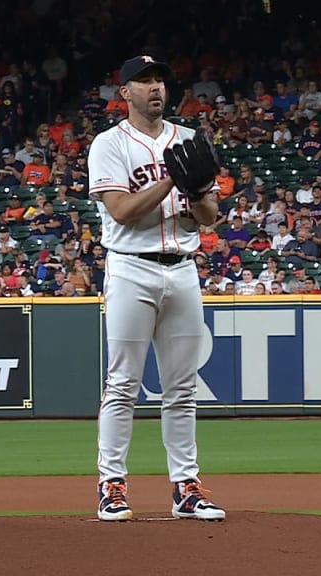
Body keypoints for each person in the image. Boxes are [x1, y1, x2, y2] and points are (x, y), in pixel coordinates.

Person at [88, 55, 225, 522]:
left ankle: (187, 487)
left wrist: (199, 187)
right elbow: (122, 211)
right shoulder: (108, 145)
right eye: (143, 81)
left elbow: (209, 217)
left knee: (182, 388)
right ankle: (112, 486)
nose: (155, 88)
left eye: (159, 80)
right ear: (123, 92)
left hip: (184, 267)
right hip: (130, 269)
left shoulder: (189, 140)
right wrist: (172, 178)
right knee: (122, 383)